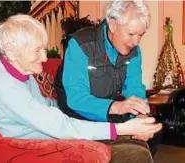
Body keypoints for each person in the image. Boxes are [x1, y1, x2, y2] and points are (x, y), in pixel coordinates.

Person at [0, 14, 162, 163]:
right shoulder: (5, 89)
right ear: (11, 52)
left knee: (137, 143)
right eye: (37, 51)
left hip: (51, 134)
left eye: (44, 49)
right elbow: (57, 124)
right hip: (35, 149)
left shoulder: (15, 70)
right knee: (135, 154)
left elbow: (47, 107)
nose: (44, 58)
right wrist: (119, 128)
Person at [54, 0, 162, 157]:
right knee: (136, 153)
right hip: (78, 118)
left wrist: (140, 114)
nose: (136, 42)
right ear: (113, 25)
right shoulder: (80, 44)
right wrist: (117, 107)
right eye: (131, 34)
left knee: (153, 131)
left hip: (110, 112)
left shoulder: (134, 52)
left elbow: (134, 87)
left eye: (141, 34)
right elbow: (76, 99)